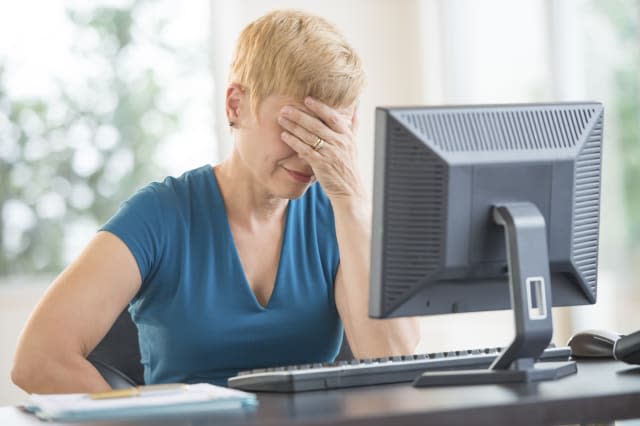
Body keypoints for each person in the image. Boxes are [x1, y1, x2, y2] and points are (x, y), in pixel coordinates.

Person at [12, 9, 420, 393]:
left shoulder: (342, 218)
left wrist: (351, 200)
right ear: (235, 105)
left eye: (329, 134)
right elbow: (39, 358)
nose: (309, 153)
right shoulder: (161, 214)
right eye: (295, 126)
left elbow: (393, 360)